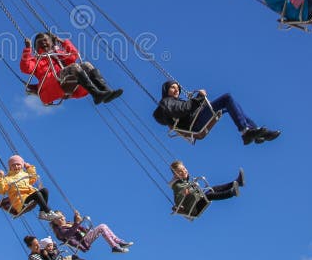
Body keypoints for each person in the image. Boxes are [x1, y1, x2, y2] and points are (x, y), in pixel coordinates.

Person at [153, 80, 281, 145]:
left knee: (231, 105)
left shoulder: (175, 101)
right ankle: (246, 131)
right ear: (166, 90)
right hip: (194, 123)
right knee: (227, 98)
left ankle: (254, 131)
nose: (176, 90)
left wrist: (198, 100)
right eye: (172, 87)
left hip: (195, 120)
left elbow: (186, 108)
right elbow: (182, 110)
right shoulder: (166, 102)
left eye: (177, 88)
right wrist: (198, 98)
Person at [20, 32, 123, 105]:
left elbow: (74, 55)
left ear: (52, 43)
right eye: (40, 42)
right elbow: (25, 68)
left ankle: (104, 90)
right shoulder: (37, 60)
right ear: (36, 47)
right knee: (74, 67)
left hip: (67, 81)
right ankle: (96, 94)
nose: (43, 43)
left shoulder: (59, 54)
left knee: (86, 65)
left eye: (46, 40)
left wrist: (62, 42)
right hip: (50, 84)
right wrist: (28, 49)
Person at [0, 155, 58, 220]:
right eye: (13, 165)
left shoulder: (25, 174)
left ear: (21, 166)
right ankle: (48, 211)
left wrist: (28, 167)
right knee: (37, 194)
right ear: (10, 167)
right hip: (20, 202)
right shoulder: (7, 178)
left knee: (45, 190)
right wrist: (0, 178)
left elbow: (33, 178)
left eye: (18, 164)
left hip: (29, 197)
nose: (16, 167)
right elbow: (0, 190)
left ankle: (42, 212)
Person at [170, 160, 245, 215]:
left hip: (198, 201)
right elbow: (178, 199)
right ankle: (231, 192)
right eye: (180, 171)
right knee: (209, 195)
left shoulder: (185, 181)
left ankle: (238, 182)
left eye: (184, 169)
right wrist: (185, 193)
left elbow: (190, 187)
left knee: (213, 189)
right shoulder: (177, 185)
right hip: (194, 208)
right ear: (176, 175)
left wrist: (193, 186)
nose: (183, 171)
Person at [50, 210, 133, 253]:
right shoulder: (59, 231)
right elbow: (68, 234)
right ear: (54, 222)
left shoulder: (69, 223)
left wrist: (77, 218)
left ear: (64, 216)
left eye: (61, 216)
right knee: (102, 227)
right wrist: (76, 222)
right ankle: (114, 246)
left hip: (85, 235)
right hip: (82, 241)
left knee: (103, 226)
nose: (61, 219)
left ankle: (118, 242)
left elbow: (77, 226)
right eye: (57, 218)